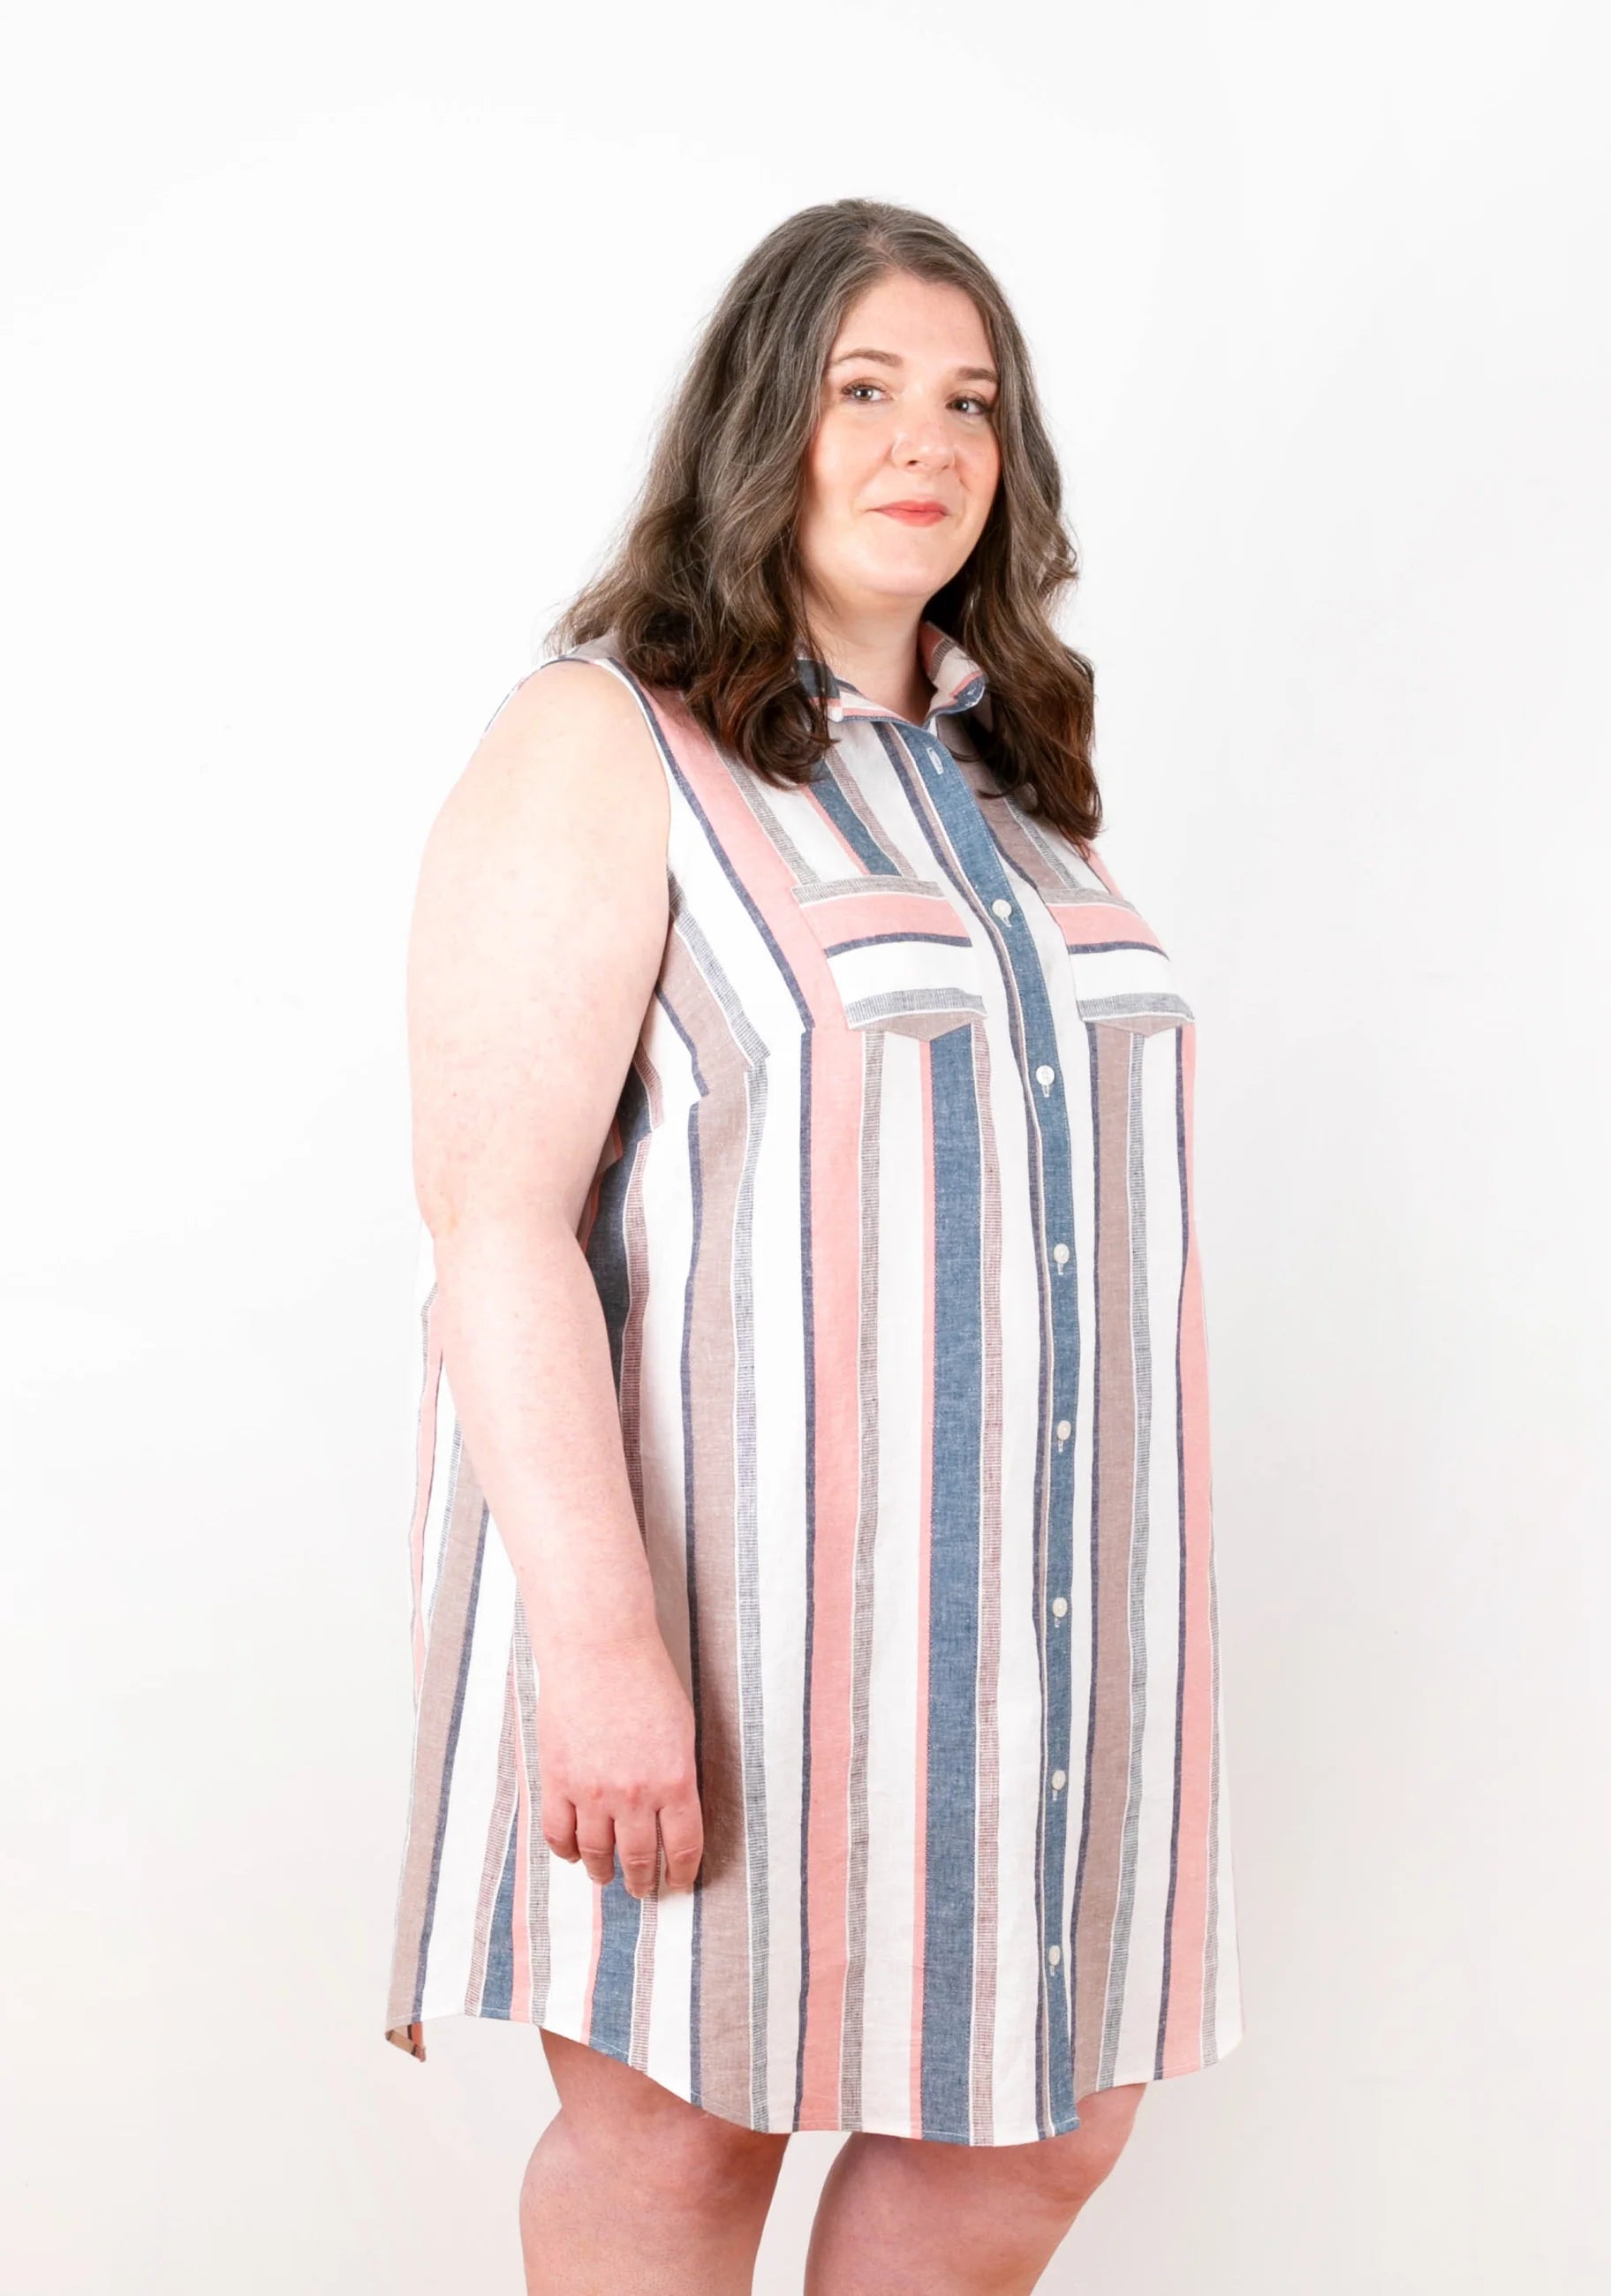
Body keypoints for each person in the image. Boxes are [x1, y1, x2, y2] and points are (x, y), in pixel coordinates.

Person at [382, 197, 1244, 2294]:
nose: (924, 442)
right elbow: (494, 1224)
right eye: (866, 389)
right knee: (682, 2138)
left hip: (1045, 1629)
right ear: (762, 418)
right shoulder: (605, 738)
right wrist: (603, 1651)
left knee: (1041, 2124)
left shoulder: (1006, 779)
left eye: (970, 402)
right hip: (724, 1616)